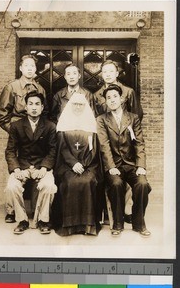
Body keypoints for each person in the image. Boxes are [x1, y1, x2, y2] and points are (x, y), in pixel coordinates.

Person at [97, 84, 151, 237]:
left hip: (131, 164)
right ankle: (118, 223)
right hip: (114, 166)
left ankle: (138, 223)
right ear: (106, 102)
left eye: (115, 96)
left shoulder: (132, 118)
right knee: (116, 183)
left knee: (142, 184)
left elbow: (139, 143)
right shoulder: (101, 120)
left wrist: (141, 165)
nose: (112, 100)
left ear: (121, 99)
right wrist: (111, 167)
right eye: (108, 98)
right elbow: (104, 145)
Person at [94, 59, 143, 224]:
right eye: (104, 72)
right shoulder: (97, 95)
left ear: (117, 73)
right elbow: (97, 119)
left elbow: (137, 115)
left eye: (111, 71)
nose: (107, 74)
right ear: (102, 75)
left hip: (125, 142)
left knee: (130, 179)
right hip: (107, 142)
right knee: (111, 178)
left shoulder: (128, 92)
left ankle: (127, 211)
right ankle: (111, 213)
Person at [4, 90, 57, 234]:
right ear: (26, 107)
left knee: (49, 185)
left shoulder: (50, 126)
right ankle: (22, 220)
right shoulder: (16, 126)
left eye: (37, 104)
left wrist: (45, 168)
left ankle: (43, 220)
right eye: (31, 104)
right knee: (12, 186)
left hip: (42, 166)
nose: (34, 107)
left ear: (42, 107)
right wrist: (16, 170)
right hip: (22, 167)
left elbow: (53, 151)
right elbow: (10, 151)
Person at [54, 92, 103, 236]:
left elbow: (93, 150)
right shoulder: (63, 124)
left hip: (88, 166)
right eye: (75, 104)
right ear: (70, 105)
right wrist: (73, 163)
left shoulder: (90, 125)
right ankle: (69, 226)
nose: (77, 107)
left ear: (85, 106)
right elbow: (62, 149)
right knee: (69, 182)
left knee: (88, 181)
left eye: (81, 105)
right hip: (67, 165)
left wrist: (84, 164)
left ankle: (88, 226)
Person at [0, 54, 46, 133]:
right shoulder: (11, 87)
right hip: (18, 131)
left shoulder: (40, 89)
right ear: (21, 68)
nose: (29, 69)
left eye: (32, 66)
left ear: (35, 69)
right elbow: (2, 115)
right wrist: (14, 131)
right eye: (26, 65)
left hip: (36, 133)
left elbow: (44, 113)